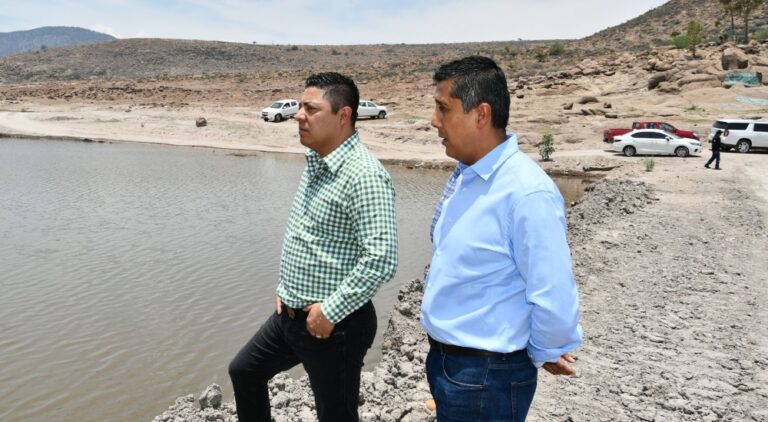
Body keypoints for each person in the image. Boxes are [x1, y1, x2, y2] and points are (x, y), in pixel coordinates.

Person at [228, 72, 398, 422]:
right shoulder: (318, 161)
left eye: (310, 108)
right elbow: (307, 236)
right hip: (289, 316)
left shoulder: (363, 175)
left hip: (335, 327)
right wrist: (285, 288)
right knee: (244, 371)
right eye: (299, 106)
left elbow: (381, 259)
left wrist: (331, 311)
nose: (298, 115)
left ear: (343, 115)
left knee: (336, 416)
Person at [421, 56, 583, 421]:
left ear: (481, 114)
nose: (434, 121)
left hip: (487, 376)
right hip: (453, 366)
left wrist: (547, 349)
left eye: (443, 108)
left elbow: (553, 292)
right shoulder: (469, 174)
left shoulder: (526, 193)